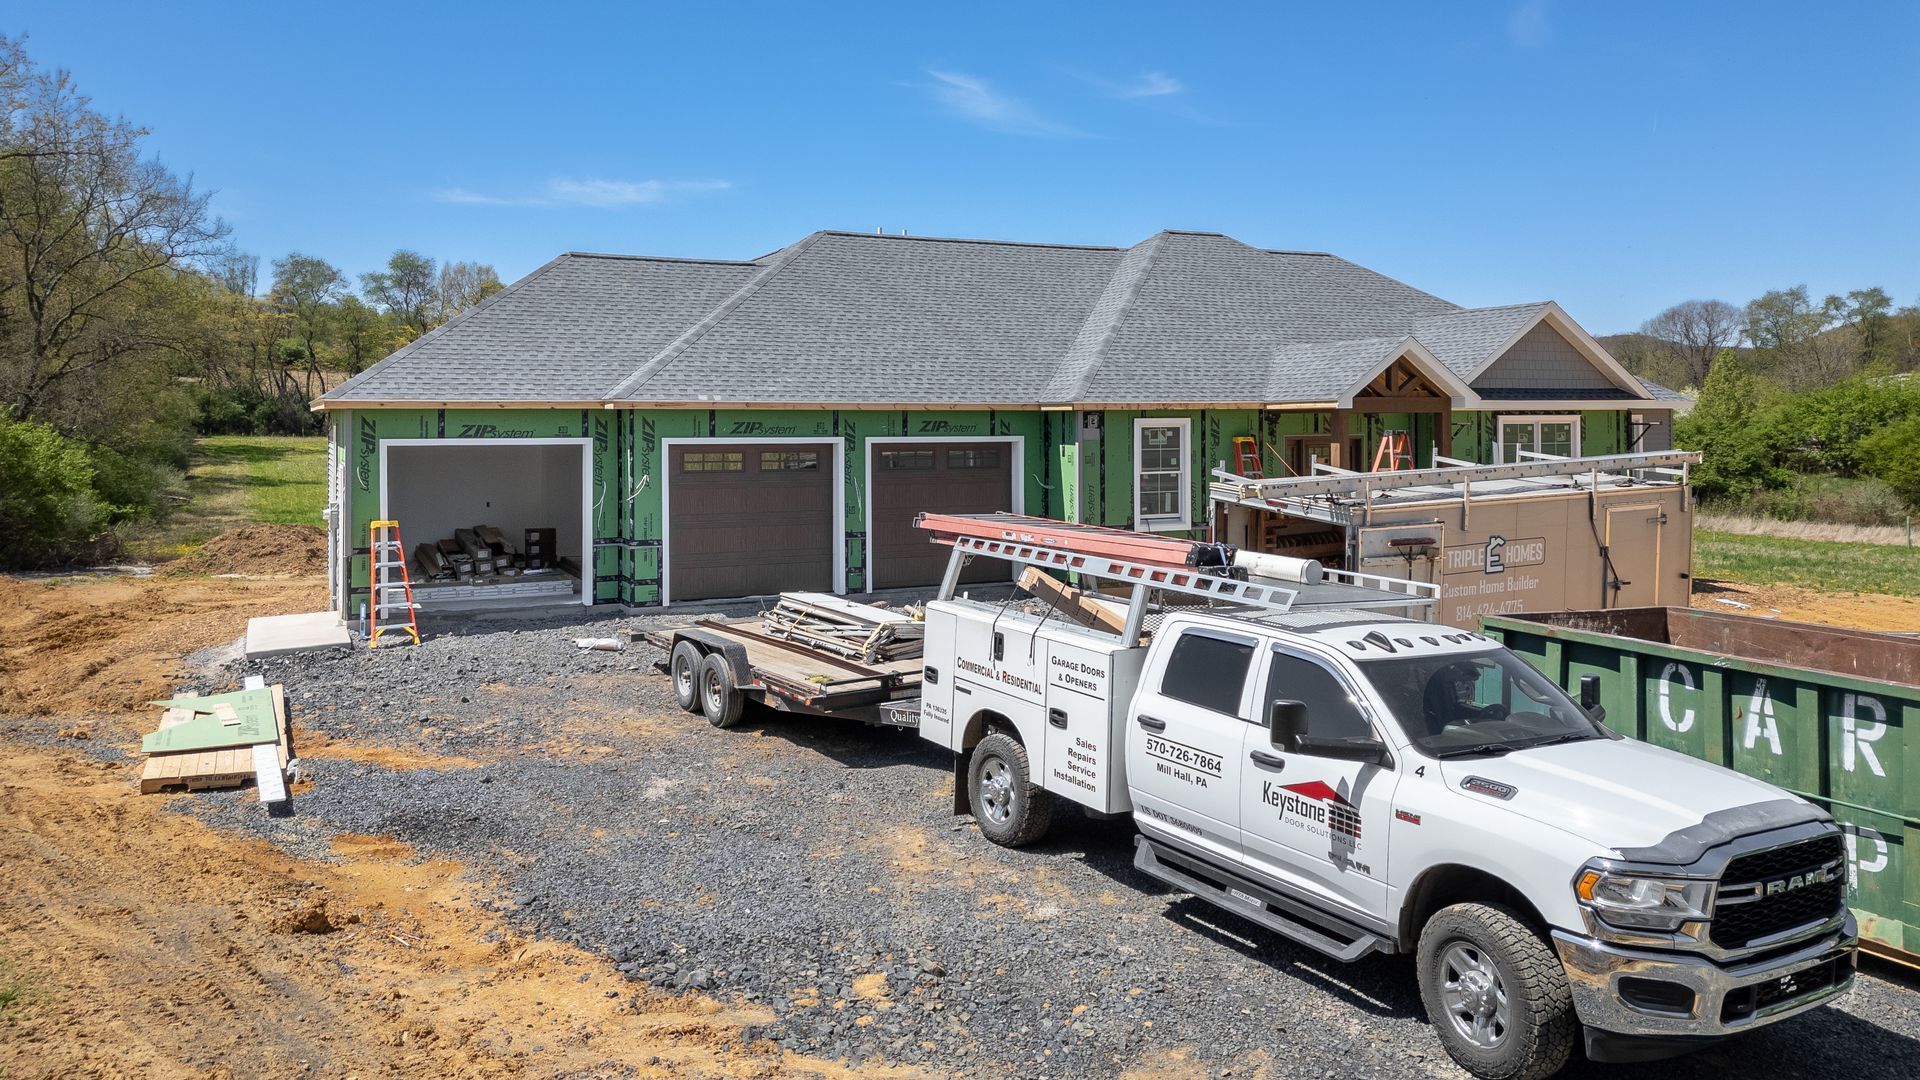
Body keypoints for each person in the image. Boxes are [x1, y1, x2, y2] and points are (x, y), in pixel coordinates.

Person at [1422, 661, 1508, 730]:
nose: (1463, 681)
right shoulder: (1433, 690)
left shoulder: (1447, 688)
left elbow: (1475, 675)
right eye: (1461, 676)